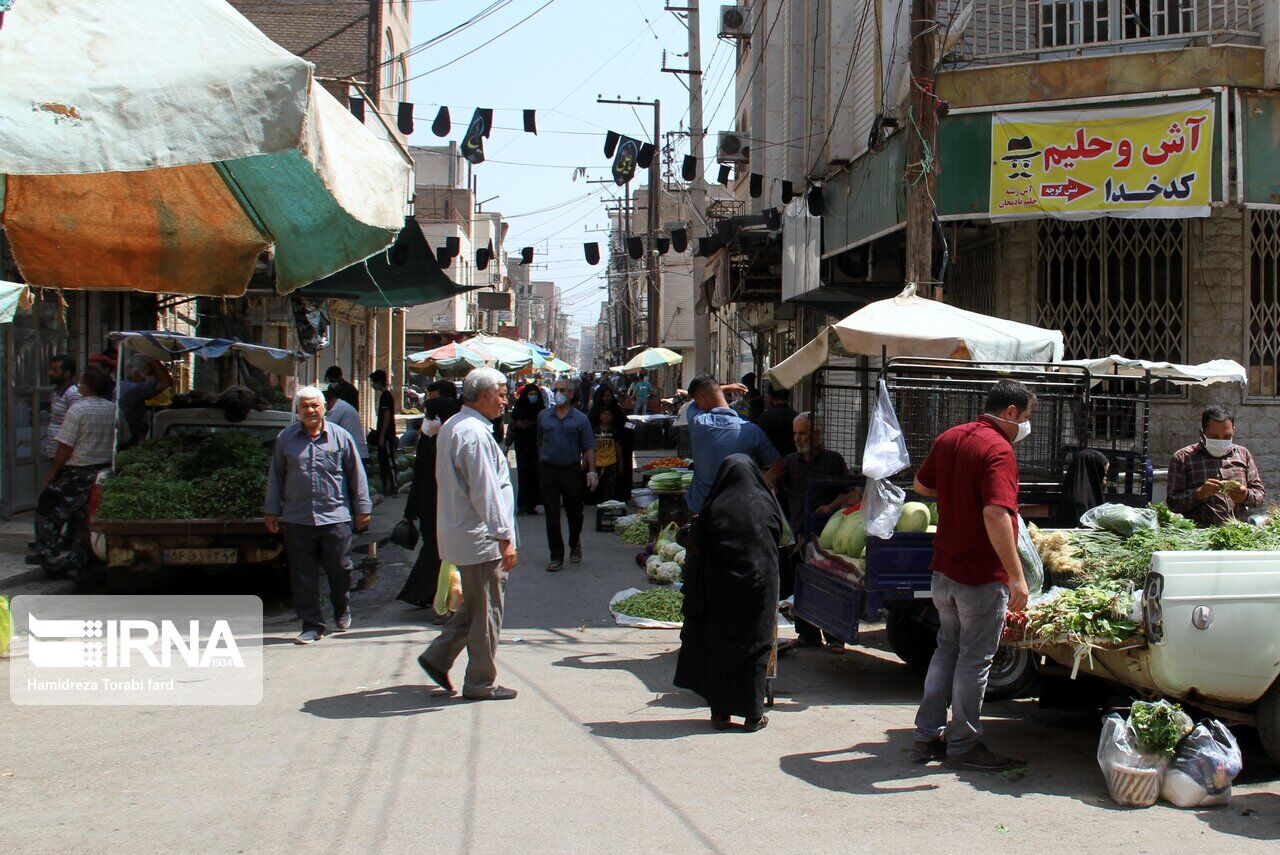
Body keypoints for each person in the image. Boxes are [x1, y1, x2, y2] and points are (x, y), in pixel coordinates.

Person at [910, 379, 1033, 771]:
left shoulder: (950, 437)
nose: (1025, 426)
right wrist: (1016, 577)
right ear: (1010, 412)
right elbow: (996, 513)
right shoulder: (999, 449)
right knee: (975, 660)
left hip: (944, 570)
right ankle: (963, 744)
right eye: (1026, 418)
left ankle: (926, 735)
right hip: (979, 575)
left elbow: (920, 485)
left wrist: (955, 492)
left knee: (947, 649)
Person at [417, 367, 519, 701]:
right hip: (481, 538)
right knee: (487, 612)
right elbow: (485, 491)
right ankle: (480, 682)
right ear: (486, 395)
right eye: (502, 394)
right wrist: (504, 537)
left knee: (477, 607)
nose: (505, 401)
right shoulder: (472, 433)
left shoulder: (456, 426)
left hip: (466, 533)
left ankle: (438, 656)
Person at [674, 454, 784, 732]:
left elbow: (695, 541)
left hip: (720, 593)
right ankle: (753, 715)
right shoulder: (766, 505)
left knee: (719, 648)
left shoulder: (715, 507)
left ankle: (720, 715)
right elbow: (779, 537)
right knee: (755, 646)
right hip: (758, 588)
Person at [264, 387, 372, 644]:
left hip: (335, 517)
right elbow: (276, 476)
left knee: (341, 569)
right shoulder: (286, 439)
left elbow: (357, 475)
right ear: (298, 410)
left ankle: (341, 606)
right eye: (304, 406)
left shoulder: (340, 437)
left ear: (324, 408)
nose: (310, 410)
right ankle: (311, 624)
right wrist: (271, 510)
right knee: (303, 575)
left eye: (314, 406)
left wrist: (363, 509)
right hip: (298, 519)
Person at [33, 366, 119, 577]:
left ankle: (49, 556)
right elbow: (122, 437)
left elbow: (65, 445)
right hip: (103, 472)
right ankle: (80, 559)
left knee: (46, 512)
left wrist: (54, 470)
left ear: (87, 386)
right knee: (82, 517)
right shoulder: (114, 408)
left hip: (77, 472)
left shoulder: (78, 410)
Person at [776, 413, 852, 648]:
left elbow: (848, 492)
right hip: (798, 535)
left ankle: (834, 637)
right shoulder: (789, 463)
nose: (798, 439)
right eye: (795, 434)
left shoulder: (833, 460)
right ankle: (807, 634)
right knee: (801, 584)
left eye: (803, 433)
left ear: (817, 435)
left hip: (826, 536)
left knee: (829, 586)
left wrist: (830, 506)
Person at [397, 391, 463, 608]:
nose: (427, 420)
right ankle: (425, 593)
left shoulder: (451, 438)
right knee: (435, 548)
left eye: (431, 415)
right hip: (430, 503)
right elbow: (419, 476)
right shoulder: (429, 439)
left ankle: (427, 593)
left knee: (437, 549)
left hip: (444, 503)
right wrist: (410, 511)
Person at [684, 375, 784, 514]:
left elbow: (692, 403)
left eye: (698, 400)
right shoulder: (752, 430)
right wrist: (757, 484)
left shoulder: (698, 422)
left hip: (702, 511)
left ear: (702, 399)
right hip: (741, 512)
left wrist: (726, 387)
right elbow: (778, 466)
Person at [1167, 405, 1266, 527]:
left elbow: (1260, 494)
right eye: (1214, 437)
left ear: (1233, 430)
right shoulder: (1183, 458)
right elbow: (1172, 503)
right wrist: (1200, 493)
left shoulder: (1243, 454)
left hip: (1239, 534)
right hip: (1200, 537)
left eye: (1227, 437)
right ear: (1202, 432)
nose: (1221, 441)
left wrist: (1246, 495)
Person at [538, 378, 596, 571]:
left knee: (574, 513)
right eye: (556, 390)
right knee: (552, 515)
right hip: (549, 470)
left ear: (571, 393)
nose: (558, 393)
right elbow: (539, 443)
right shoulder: (544, 416)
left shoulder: (580, 419)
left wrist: (592, 472)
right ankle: (556, 556)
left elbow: (588, 447)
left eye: (562, 390)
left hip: (572, 470)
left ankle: (575, 542)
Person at [118, 354, 172, 447]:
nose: (152, 375)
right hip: (127, 438)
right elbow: (166, 381)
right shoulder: (135, 389)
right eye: (149, 371)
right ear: (139, 373)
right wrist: (153, 358)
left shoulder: (122, 385)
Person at [507, 382, 545, 515]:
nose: (533, 396)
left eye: (535, 394)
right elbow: (511, 429)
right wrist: (507, 446)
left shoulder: (542, 411)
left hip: (537, 448)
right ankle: (522, 505)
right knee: (524, 474)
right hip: (522, 447)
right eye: (530, 394)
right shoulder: (518, 410)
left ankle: (532, 504)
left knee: (536, 474)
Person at [590, 384, 634, 502]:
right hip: (598, 453)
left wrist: (631, 428)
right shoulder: (594, 413)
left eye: (609, 396)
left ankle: (616, 496)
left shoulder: (616, 410)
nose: (607, 398)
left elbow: (625, 423)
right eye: (604, 396)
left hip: (614, 450)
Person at [1054, 448, 1110, 528]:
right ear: (1093, 472)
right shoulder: (1080, 502)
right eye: (1102, 474)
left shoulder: (1077, 492)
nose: (1104, 479)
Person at [370, 369, 399, 495]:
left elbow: (387, 416)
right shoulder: (384, 396)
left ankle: (394, 487)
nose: (372, 385)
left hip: (387, 436)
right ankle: (386, 486)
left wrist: (382, 436)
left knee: (389, 461)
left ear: (378, 382)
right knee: (383, 462)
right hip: (384, 434)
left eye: (373, 382)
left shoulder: (386, 396)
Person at [322, 387, 369, 462]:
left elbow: (324, 428)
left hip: (354, 453)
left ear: (327, 402)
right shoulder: (342, 406)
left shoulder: (339, 408)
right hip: (355, 452)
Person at [589, 406, 621, 504]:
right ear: (599, 417)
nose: (606, 416)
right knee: (597, 484)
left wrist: (621, 462)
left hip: (611, 462)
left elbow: (618, 448)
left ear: (612, 417)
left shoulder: (614, 431)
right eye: (604, 414)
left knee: (610, 485)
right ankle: (598, 503)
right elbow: (589, 447)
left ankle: (607, 504)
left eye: (609, 414)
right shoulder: (594, 431)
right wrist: (585, 461)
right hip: (597, 462)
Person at [755, 386, 798, 458]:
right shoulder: (796, 416)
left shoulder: (765, 417)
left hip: (770, 462)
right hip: (793, 462)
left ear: (771, 397)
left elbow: (759, 441)